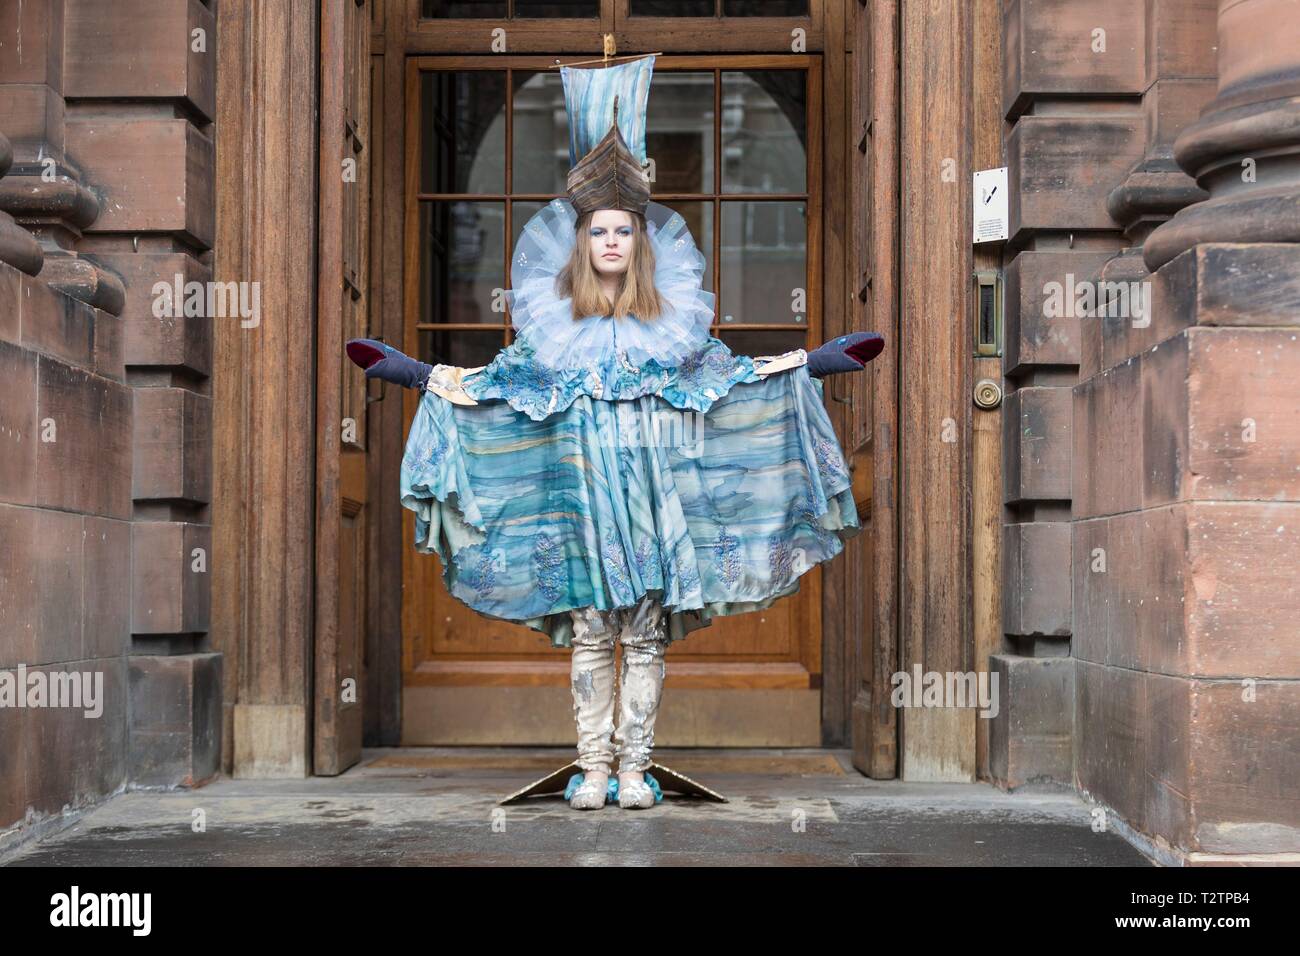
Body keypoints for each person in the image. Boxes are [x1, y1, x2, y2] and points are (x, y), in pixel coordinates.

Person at [346, 53, 882, 811]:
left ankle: (637, 769)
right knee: (595, 629)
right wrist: (409, 371)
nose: (610, 242)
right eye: (598, 230)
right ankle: (592, 767)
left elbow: (725, 381)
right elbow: (497, 389)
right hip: (583, 494)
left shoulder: (673, 328)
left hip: (651, 492)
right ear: (581, 240)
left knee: (644, 631)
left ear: (639, 242)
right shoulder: (549, 332)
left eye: (623, 231)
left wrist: (813, 362)